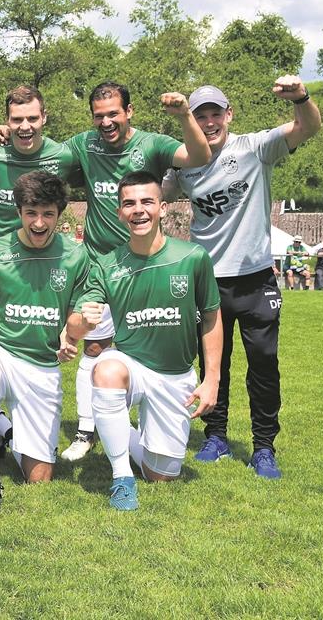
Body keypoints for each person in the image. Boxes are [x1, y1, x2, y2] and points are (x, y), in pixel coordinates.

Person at [164, 77, 321, 478]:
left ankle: (264, 446)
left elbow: (308, 127)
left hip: (255, 281)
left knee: (264, 364)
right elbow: (146, 192)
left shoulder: (254, 147)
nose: (210, 122)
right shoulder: (184, 163)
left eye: (217, 113)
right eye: (201, 116)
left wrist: (301, 98)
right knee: (215, 364)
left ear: (229, 115)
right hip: (208, 282)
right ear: (192, 123)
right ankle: (215, 437)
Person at [53, 82, 211, 462]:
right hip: (100, 264)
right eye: (99, 115)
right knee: (94, 347)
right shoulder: (83, 144)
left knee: (148, 345)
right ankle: (86, 430)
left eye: (113, 113)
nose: (106, 121)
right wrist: (10, 133)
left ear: (130, 111)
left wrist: (184, 115)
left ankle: (140, 420)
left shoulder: (153, 144)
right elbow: (40, 152)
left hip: (146, 265)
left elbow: (199, 154)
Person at [74, 171, 222, 510]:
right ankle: (121, 477)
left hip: (175, 375)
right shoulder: (108, 264)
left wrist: (212, 378)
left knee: (162, 474)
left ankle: (123, 435)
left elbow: (212, 316)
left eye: (146, 202)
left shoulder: (192, 257)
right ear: (119, 212)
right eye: (129, 203)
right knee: (106, 369)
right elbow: (77, 323)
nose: (138, 210)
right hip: (131, 366)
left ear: (163, 207)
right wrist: (81, 323)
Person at [0, 171, 91, 511]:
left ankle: (1, 428)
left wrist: (70, 335)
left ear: (59, 214)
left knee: (39, 477)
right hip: (2, 351)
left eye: (47, 213)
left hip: (43, 366)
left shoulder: (77, 256)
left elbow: (74, 316)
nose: (38, 222)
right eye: (31, 213)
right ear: (19, 211)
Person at [0, 86, 81, 243]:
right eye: (17, 119)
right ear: (7, 119)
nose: (25, 127)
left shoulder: (63, 156)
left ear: (44, 117)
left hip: (40, 256)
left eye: (32, 118)